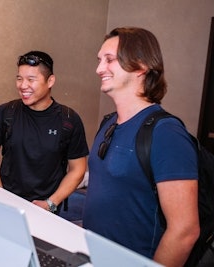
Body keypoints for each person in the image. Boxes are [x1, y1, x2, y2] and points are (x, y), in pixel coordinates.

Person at [82, 27, 199, 266]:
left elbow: (185, 231)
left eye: (110, 60)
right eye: (99, 60)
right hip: (94, 255)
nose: (99, 69)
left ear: (141, 66)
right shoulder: (108, 123)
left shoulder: (166, 133)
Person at [0, 51, 89, 213]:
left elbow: (78, 169)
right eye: (19, 78)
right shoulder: (5, 113)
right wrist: (2, 201)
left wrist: (51, 203)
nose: (23, 86)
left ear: (50, 81)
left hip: (46, 211)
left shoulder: (69, 120)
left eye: (31, 80)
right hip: (6, 206)